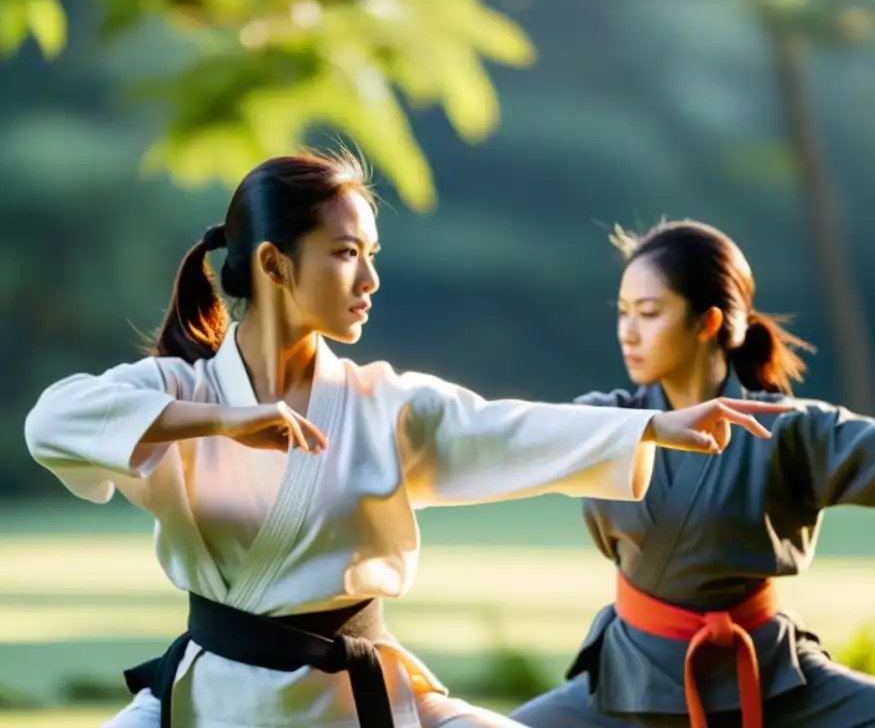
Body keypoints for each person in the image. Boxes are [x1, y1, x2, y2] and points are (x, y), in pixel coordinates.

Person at [22, 155, 792, 728]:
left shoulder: (380, 404)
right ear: (272, 263)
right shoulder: (177, 393)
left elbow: (502, 427)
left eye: (373, 257)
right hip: (212, 702)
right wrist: (224, 422)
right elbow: (52, 421)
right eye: (347, 253)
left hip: (361, 700)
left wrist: (652, 425)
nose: (370, 280)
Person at [509, 219, 875, 728]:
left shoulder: (782, 431)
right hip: (631, 681)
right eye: (622, 313)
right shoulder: (605, 423)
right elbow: (515, 438)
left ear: (707, 322)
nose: (628, 332)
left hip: (765, 676)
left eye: (648, 313)